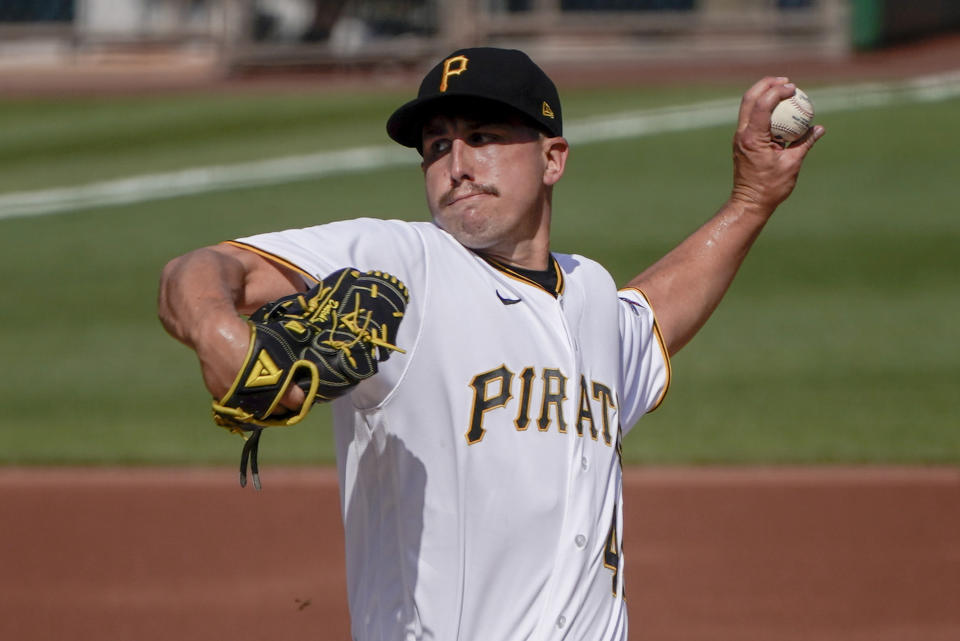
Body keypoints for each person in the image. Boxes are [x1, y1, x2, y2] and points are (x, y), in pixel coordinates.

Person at [158, 47, 823, 640]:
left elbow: (652, 321)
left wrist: (752, 201)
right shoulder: (406, 263)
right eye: (437, 146)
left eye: (482, 137)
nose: (456, 164)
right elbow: (201, 272)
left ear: (552, 157)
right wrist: (221, 333)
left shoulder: (590, 291)